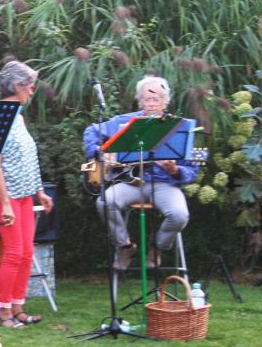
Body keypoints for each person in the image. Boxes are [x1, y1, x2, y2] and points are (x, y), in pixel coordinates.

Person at [82, 75, 198, 270]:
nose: (151, 103)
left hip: (164, 184)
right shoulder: (126, 121)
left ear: (165, 101)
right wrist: (100, 152)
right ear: (140, 100)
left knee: (179, 215)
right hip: (132, 181)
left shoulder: (180, 127)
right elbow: (91, 131)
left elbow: (191, 171)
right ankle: (125, 246)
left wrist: (176, 170)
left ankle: (157, 247)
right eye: (146, 99)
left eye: (156, 99)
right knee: (104, 201)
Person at [0, 60, 54, 328]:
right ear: (16, 86)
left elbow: (28, 159)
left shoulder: (19, 117)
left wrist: (40, 192)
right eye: (30, 86)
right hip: (7, 196)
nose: (33, 90)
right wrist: (4, 203)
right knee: (14, 253)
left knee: (27, 253)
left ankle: (18, 308)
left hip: (25, 194)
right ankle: (3, 313)